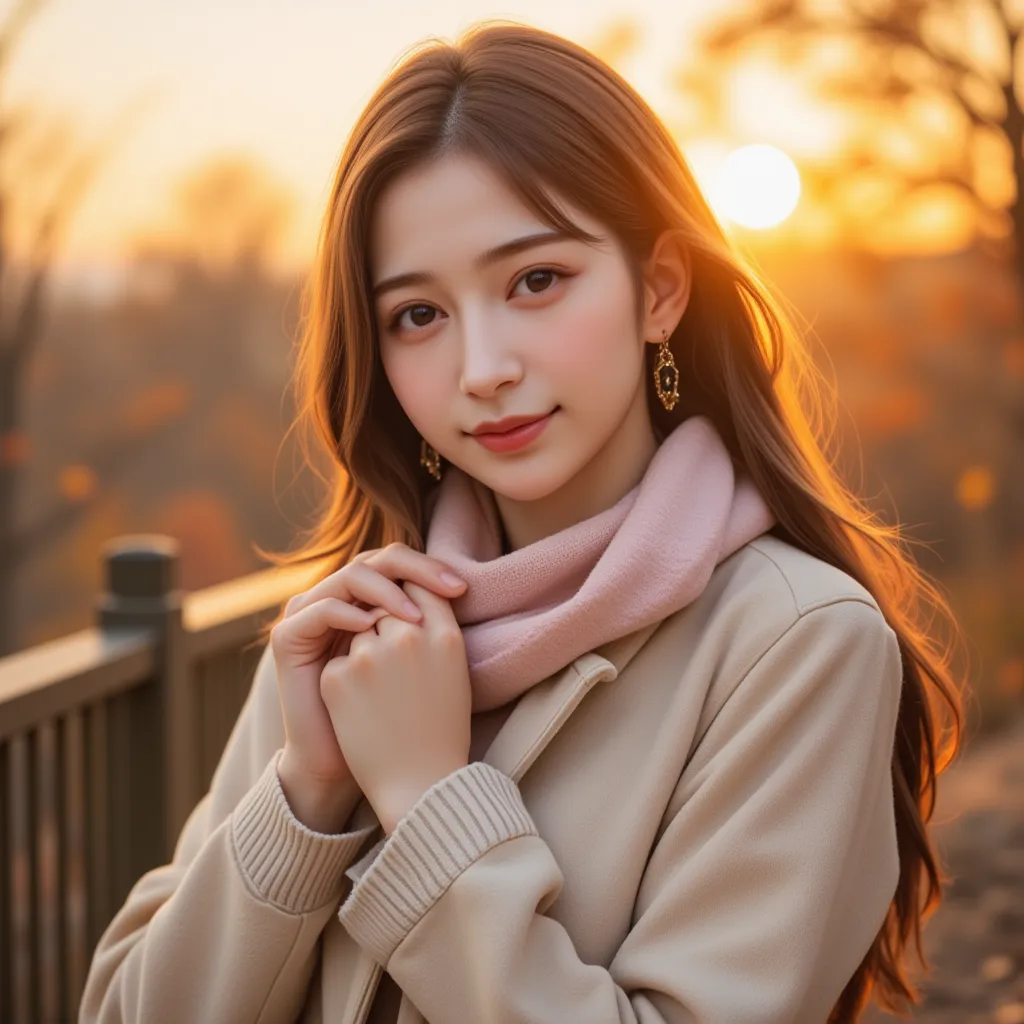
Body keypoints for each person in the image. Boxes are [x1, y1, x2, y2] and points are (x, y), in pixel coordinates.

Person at [79, 20, 964, 1024]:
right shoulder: (353, 629)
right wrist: (306, 795)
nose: (482, 366)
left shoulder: (796, 643)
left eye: (535, 280)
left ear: (659, 290)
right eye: (419, 314)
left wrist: (425, 801)